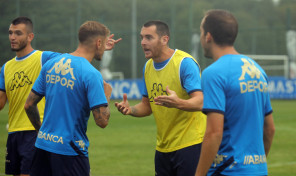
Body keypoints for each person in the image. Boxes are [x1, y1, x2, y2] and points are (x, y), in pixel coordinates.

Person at [24, 21, 121, 176]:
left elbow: (29, 105)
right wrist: (106, 95)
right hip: (70, 151)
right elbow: (102, 121)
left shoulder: (51, 64)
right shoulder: (91, 74)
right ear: (98, 42)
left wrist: (42, 131)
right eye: (103, 45)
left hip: (42, 146)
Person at [115, 20, 206, 176]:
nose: (143, 42)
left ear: (165, 39)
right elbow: (146, 106)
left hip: (191, 145)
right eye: (142, 37)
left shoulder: (184, 63)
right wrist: (131, 110)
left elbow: (201, 101)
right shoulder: (148, 67)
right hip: (163, 147)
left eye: (149, 37)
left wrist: (179, 103)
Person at [195, 9, 275, 176]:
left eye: (201, 32)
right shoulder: (257, 70)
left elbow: (214, 133)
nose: (201, 38)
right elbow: (270, 129)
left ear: (208, 36)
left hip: (227, 170)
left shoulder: (213, 73)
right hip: (258, 170)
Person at [0, 16, 61, 176]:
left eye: (18, 33)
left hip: (35, 131)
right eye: (10, 33)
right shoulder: (5, 68)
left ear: (30, 36)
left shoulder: (43, 58)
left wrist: (96, 48)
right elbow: (0, 102)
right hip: (13, 133)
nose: (12, 37)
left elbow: (71, 60)